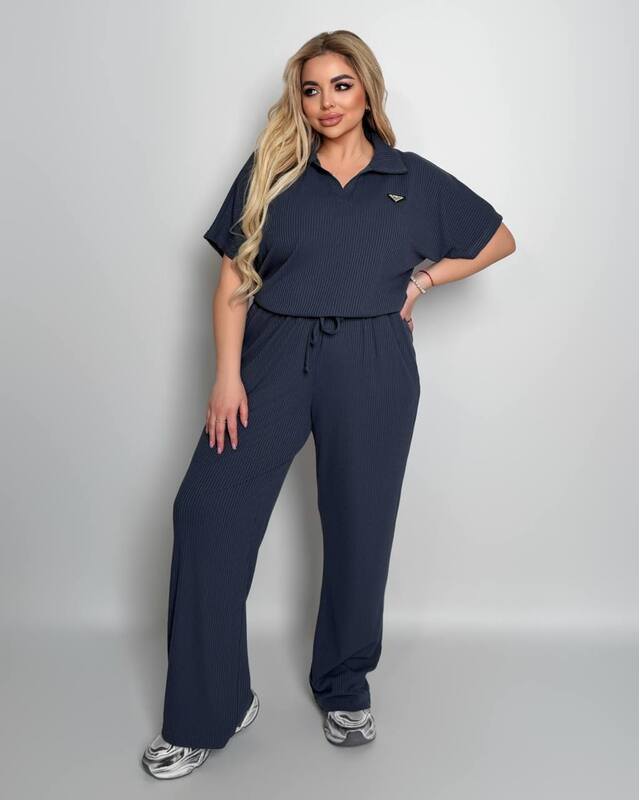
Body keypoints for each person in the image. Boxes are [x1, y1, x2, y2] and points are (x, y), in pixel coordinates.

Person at [141, 29, 516, 780]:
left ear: (366, 90)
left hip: (373, 359)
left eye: (341, 85)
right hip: (272, 357)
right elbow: (231, 279)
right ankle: (211, 708)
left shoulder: (410, 177)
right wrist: (226, 376)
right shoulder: (273, 171)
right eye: (311, 89)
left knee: (359, 526)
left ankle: (344, 685)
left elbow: (498, 238)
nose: (326, 103)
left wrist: (421, 282)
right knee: (206, 513)